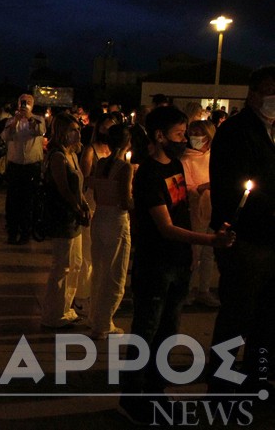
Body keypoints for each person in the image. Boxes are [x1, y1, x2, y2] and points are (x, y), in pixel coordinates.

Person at [118, 106, 234, 424]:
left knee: (169, 330)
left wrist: (195, 250)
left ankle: (156, 389)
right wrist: (208, 241)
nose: (185, 140)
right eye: (179, 134)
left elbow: (182, 210)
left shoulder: (177, 168)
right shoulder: (149, 175)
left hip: (180, 262)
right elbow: (166, 227)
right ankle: (131, 395)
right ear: (159, 136)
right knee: (146, 329)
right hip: (155, 265)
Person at [208, 65, 275, 396]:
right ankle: (221, 382)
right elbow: (230, 186)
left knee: (266, 316)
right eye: (271, 92)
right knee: (236, 314)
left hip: (270, 238)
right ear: (254, 94)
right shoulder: (235, 130)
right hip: (245, 237)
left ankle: (258, 376)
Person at [39, 113, 89, 328]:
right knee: (61, 265)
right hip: (63, 216)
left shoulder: (73, 155)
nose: (76, 133)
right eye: (72, 130)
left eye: (78, 129)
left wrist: (84, 203)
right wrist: (77, 207)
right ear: (61, 132)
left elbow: (78, 185)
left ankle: (66, 307)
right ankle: (53, 314)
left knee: (75, 263)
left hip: (74, 215)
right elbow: (63, 189)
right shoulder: (58, 157)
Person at [88, 124, 133, 339]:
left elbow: (97, 196)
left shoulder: (102, 163)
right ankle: (104, 324)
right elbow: (125, 202)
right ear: (127, 143)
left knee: (99, 270)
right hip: (116, 220)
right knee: (115, 273)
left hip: (99, 218)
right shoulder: (125, 168)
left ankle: (95, 317)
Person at [73, 113, 118, 318]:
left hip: (110, 205)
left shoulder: (115, 152)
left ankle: (95, 292)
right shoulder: (91, 151)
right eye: (105, 128)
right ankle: (82, 295)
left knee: (103, 252)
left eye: (113, 128)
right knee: (88, 252)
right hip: (93, 201)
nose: (108, 132)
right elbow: (85, 179)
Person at [180, 120, 220, 307]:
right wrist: (202, 187)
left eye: (199, 132)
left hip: (213, 208)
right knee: (194, 252)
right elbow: (185, 187)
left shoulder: (216, 157)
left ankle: (203, 290)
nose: (195, 136)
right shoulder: (185, 159)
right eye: (192, 132)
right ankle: (186, 290)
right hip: (195, 211)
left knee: (209, 253)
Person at [2, 93, 45, 244]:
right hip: (15, 165)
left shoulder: (39, 119)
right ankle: (12, 231)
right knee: (13, 200)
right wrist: (16, 121)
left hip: (31, 166)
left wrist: (29, 118)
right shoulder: (11, 121)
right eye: (22, 102)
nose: (24, 105)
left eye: (27, 102)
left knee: (28, 200)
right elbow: (6, 136)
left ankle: (26, 232)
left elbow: (39, 131)